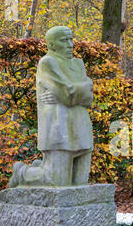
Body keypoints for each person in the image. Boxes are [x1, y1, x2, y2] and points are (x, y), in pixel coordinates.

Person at [9, 26, 94, 187]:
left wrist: (80, 90)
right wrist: (84, 86)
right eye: (64, 40)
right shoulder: (47, 63)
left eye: (71, 39)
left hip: (82, 128)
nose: (70, 44)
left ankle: (41, 166)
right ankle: (22, 173)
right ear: (52, 45)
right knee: (57, 181)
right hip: (59, 129)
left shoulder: (78, 64)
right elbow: (67, 93)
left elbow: (88, 98)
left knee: (79, 186)